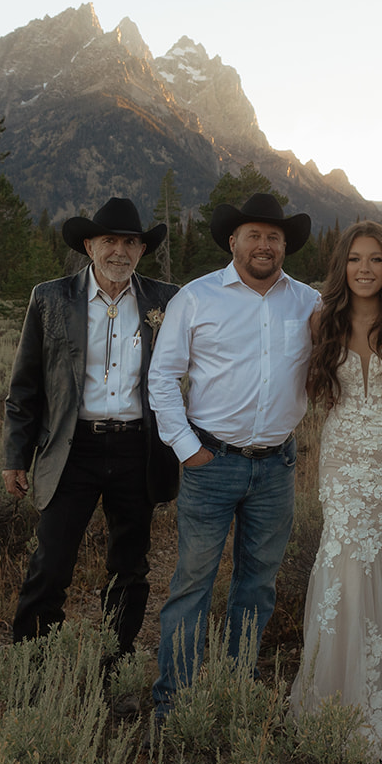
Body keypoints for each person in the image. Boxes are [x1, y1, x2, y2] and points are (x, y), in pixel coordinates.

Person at [148, 192, 321, 723]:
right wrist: (188, 450)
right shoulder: (196, 298)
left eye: (274, 237)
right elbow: (161, 377)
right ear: (233, 242)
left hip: (276, 466)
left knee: (258, 584)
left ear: (285, 244)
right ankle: (172, 704)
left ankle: (235, 686)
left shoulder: (308, 303)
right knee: (192, 585)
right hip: (211, 462)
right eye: (254, 235)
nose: (265, 245)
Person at [2, 197, 179, 658]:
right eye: (109, 241)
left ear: (142, 250)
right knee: (51, 564)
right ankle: (31, 666)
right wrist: (14, 457)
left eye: (129, 242)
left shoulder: (167, 301)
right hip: (71, 450)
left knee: (130, 567)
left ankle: (114, 662)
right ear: (89, 245)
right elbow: (25, 386)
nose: (119, 251)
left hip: (137, 450)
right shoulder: (51, 298)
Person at [289, 221, 382, 759]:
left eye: (375, 259)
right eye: (355, 259)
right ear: (342, 267)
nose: (365, 269)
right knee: (346, 558)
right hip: (345, 458)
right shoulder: (322, 319)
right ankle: (341, 689)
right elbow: (310, 385)